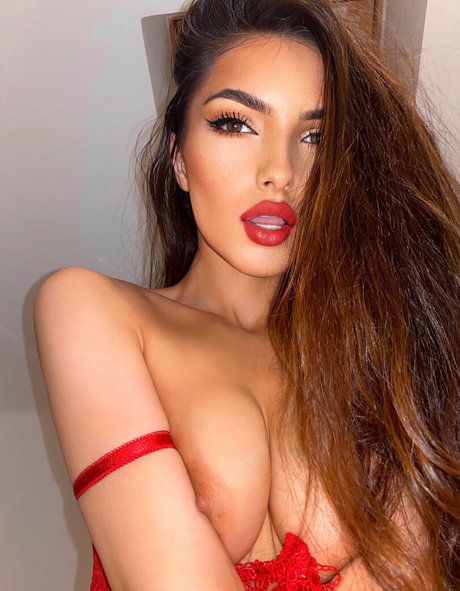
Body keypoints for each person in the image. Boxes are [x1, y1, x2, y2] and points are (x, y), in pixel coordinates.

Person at [33, 0, 459, 589]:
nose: (280, 171)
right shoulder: (93, 310)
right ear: (179, 158)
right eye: (235, 123)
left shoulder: (376, 361)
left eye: (315, 135)